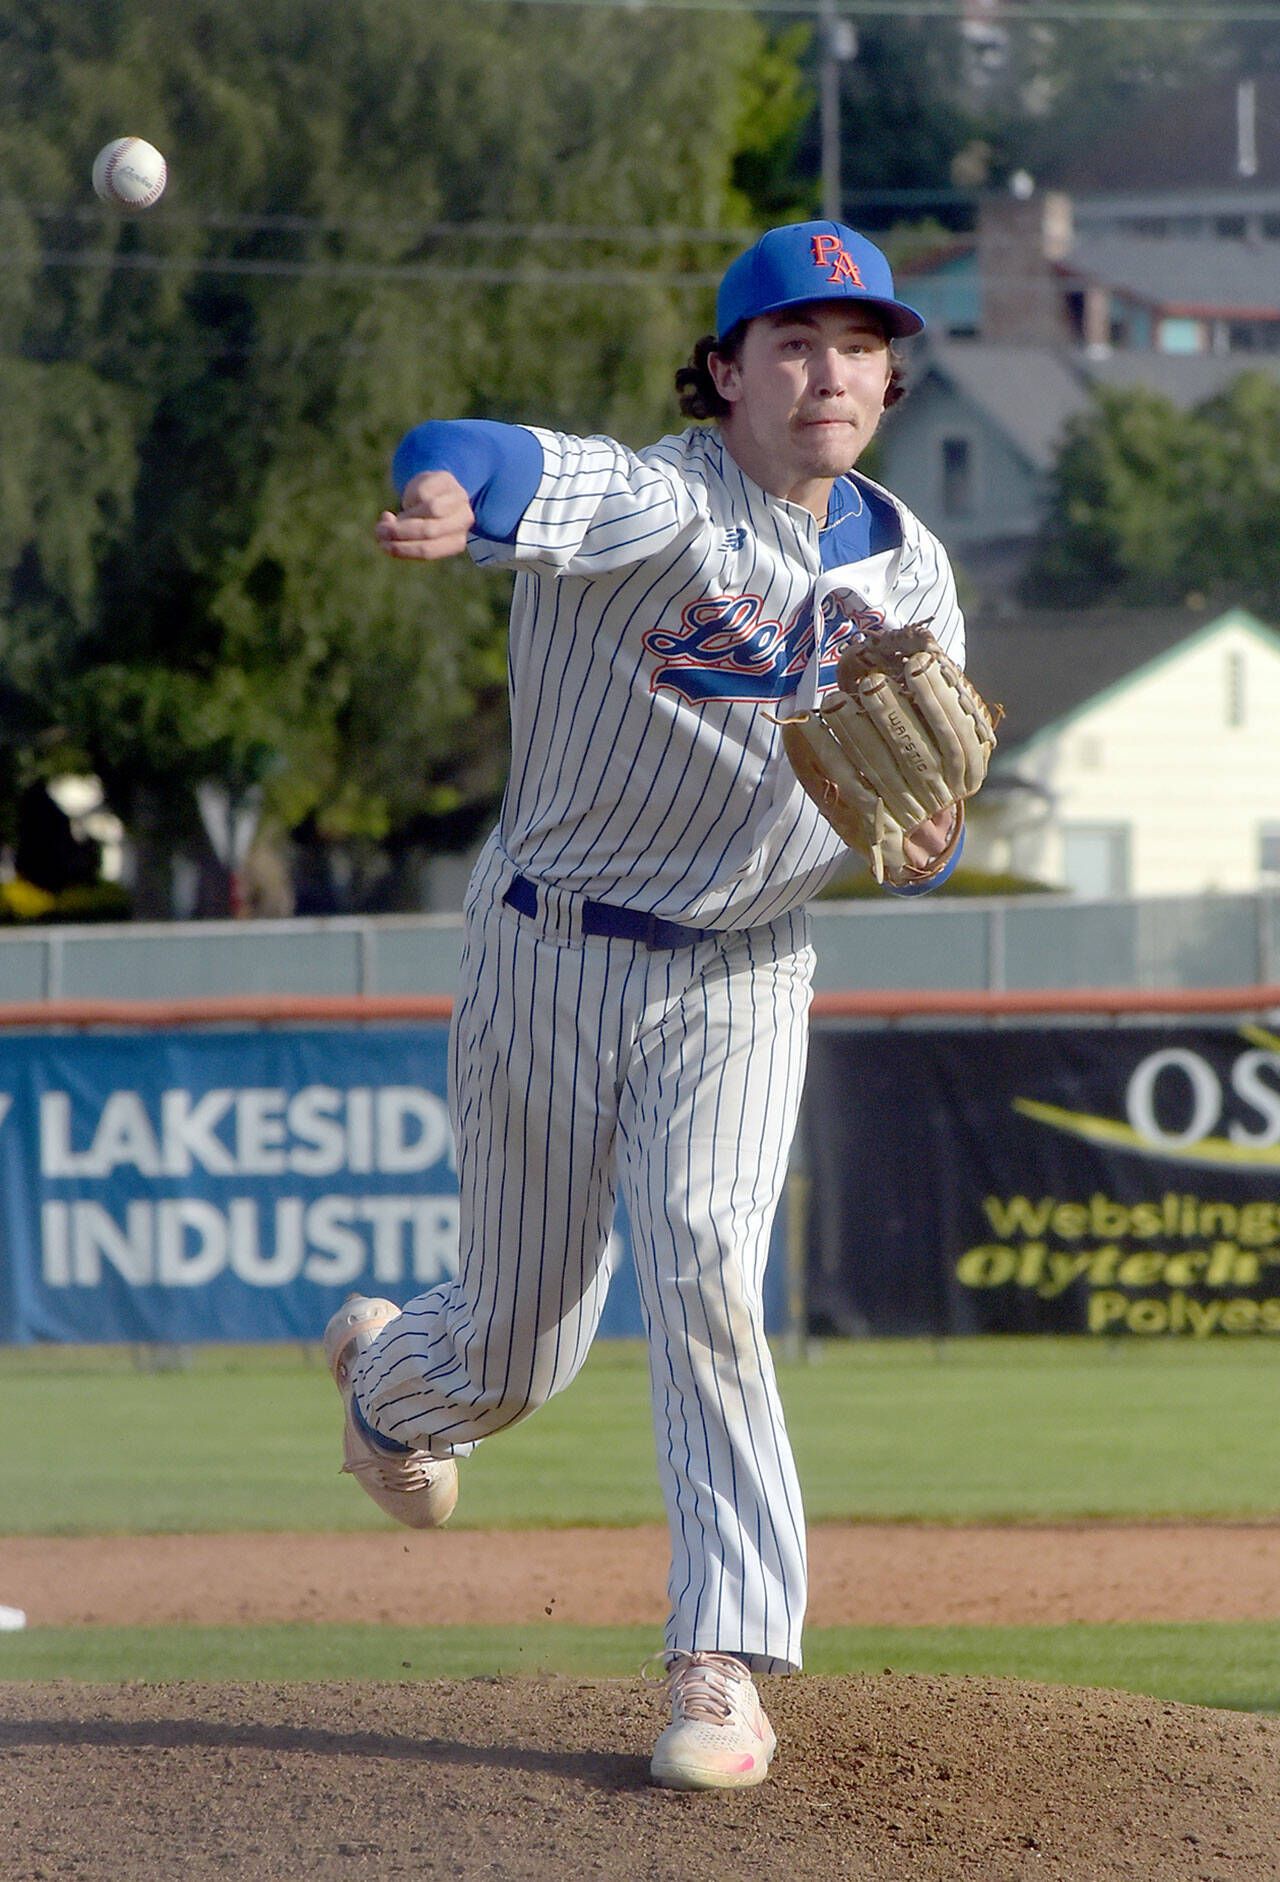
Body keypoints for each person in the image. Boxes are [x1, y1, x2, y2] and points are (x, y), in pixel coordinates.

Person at [323, 219, 965, 1790]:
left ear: (889, 378)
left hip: (745, 967)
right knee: (513, 1351)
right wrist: (441, 495)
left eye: (859, 345)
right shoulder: (655, 501)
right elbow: (480, 451)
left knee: (706, 1266)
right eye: (794, 343)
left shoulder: (911, 570)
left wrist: (930, 841)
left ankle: (722, 1661)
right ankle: (388, 1388)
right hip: (549, 950)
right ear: (726, 372)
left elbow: (923, 819)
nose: (831, 372)